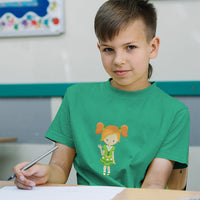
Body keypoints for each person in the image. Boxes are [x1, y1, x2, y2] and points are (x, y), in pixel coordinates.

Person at [13, 0, 190, 190]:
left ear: (152, 47)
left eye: (130, 47)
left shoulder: (174, 112)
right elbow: (59, 169)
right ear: (99, 49)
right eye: (108, 49)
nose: (118, 60)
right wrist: (44, 173)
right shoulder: (76, 98)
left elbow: (154, 184)